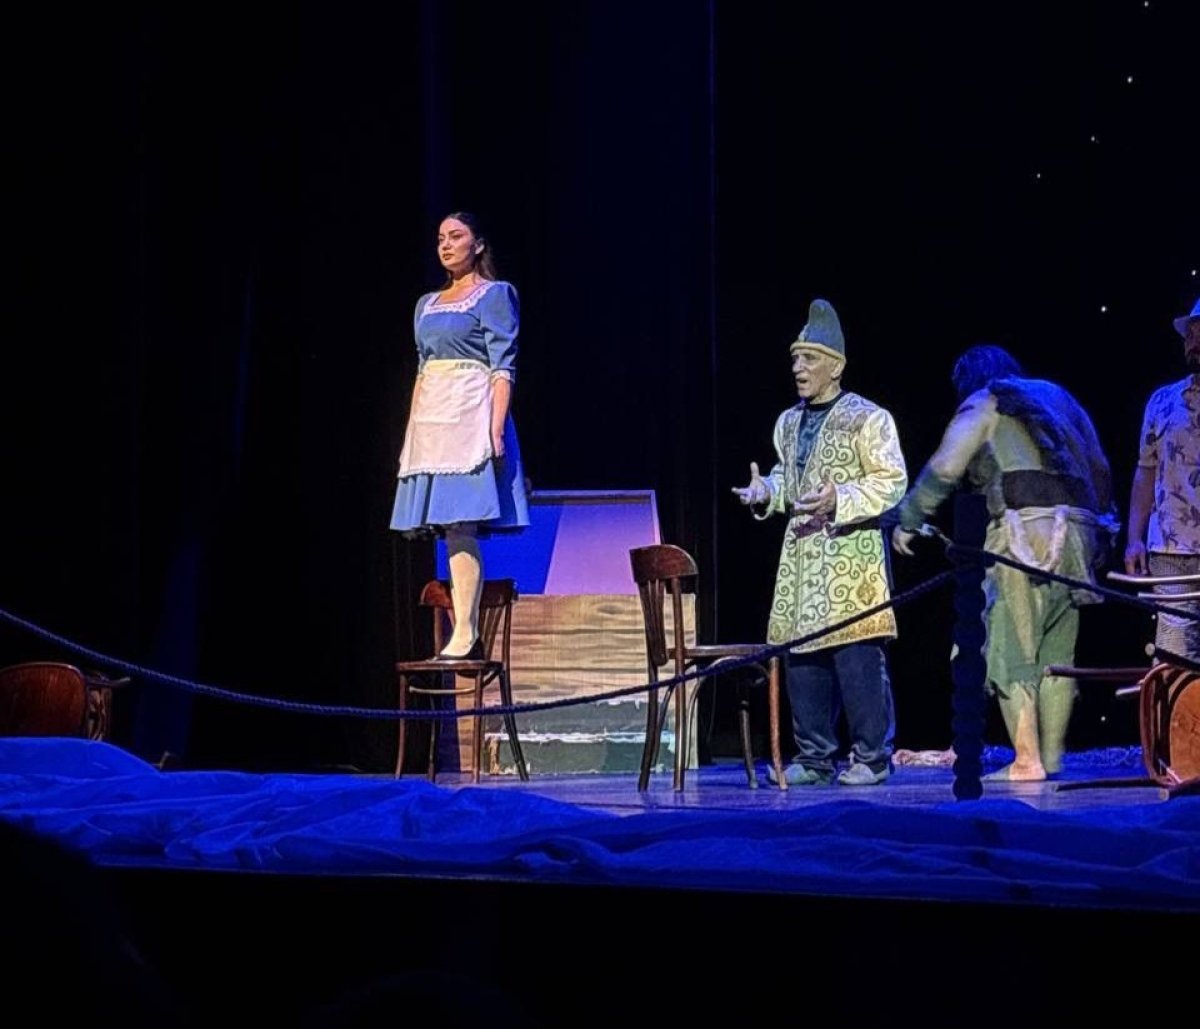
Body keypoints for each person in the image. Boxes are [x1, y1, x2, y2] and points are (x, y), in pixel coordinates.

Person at [892, 345, 1118, 781]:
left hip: (1025, 536)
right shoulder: (1059, 398)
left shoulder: (986, 400)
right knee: (1056, 653)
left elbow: (947, 465)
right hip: (1079, 536)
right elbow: (1100, 467)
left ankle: (1028, 760)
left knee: (1010, 645)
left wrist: (910, 516)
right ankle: (1050, 759)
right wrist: (1102, 532)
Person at [733, 299, 907, 786]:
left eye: (808, 358)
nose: (798, 368)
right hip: (802, 556)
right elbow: (789, 481)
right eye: (794, 359)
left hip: (850, 556)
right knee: (803, 660)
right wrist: (767, 491)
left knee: (857, 660)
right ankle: (814, 758)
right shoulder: (788, 423)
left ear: (836, 366)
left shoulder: (869, 418)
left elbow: (891, 480)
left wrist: (841, 498)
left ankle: (872, 757)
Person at [390, 212, 529, 659]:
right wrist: (411, 433)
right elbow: (422, 370)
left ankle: (466, 632)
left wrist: (496, 428)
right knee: (451, 528)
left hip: (470, 415)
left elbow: (502, 365)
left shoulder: (494, 294)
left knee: (462, 523)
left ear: (478, 244)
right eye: (440, 239)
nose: (446, 246)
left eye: (456, 237)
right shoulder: (426, 304)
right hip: (434, 420)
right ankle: (464, 632)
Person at [1124, 297, 1200, 665]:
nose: (1193, 341)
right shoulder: (1162, 401)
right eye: (1190, 334)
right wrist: (1134, 539)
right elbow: (1145, 470)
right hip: (1170, 549)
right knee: (1173, 654)